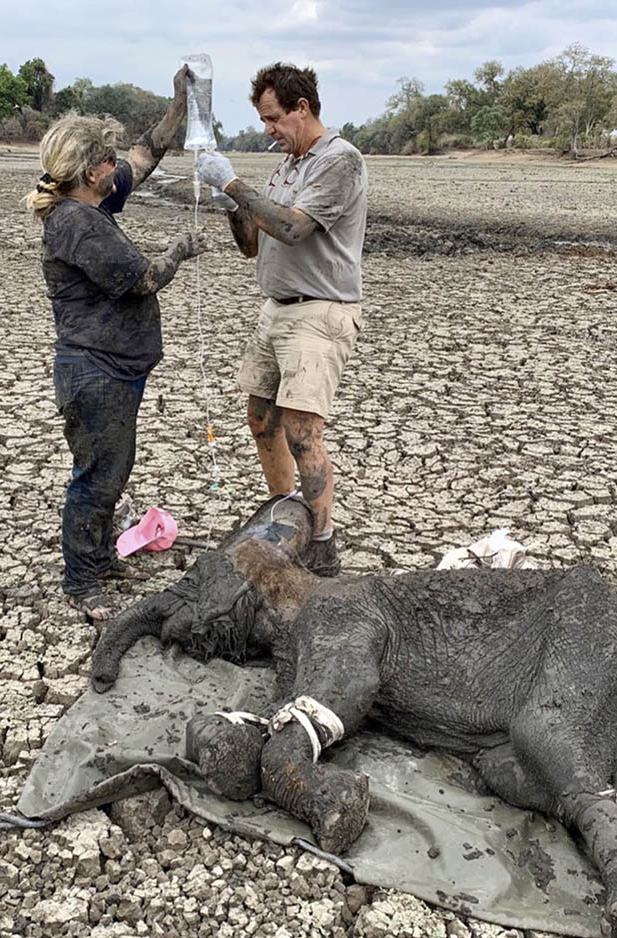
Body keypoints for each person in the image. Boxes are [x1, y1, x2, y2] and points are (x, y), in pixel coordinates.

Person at [25, 67, 211, 621]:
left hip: (114, 366)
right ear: (88, 171)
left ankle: (102, 557)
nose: (116, 166)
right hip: (95, 369)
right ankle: (81, 579)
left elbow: (145, 155)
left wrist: (180, 104)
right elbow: (142, 279)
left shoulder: (91, 201)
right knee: (98, 475)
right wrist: (180, 250)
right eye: (107, 161)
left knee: (113, 467)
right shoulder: (77, 223)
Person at [196, 62, 367, 577]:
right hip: (276, 308)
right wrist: (232, 206)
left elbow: (293, 228)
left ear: (302, 108)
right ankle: (281, 509)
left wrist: (231, 184)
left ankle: (321, 541)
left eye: (274, 118)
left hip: (320, 311)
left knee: (301, 429)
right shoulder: (287, 165)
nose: (269, 130)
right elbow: (253, 244)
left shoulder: (340, 161)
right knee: (261, 417)